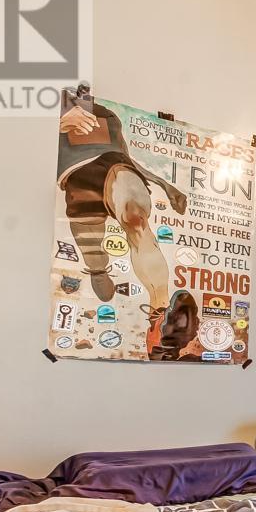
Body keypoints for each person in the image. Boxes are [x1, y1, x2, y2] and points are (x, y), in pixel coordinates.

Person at [57, 87, 189, 358]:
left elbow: (122, 153)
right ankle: (98, 269)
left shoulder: (108, 115)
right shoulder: (52, 104)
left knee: (136, 220)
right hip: (77, 177)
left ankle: (159, 311)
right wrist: (57, 120)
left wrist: (164, 184)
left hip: (115, 166)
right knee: (91, 241)